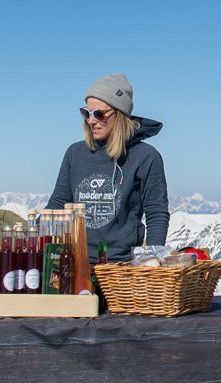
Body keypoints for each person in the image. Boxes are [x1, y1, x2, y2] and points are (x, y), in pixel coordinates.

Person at [46, 73, 170, 262]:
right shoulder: (75, 153)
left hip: (121, 267)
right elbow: (57, 204)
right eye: (86, 113)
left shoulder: (145, 156)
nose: (91, 120)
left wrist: (153, 259)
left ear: (119, 114)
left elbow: (156, 212)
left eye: (98, 114)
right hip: (74, 262)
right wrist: (31, 236)